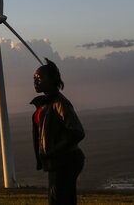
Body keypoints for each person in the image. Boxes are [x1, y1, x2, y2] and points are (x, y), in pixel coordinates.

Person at [31, 58, 85, 205]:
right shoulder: (46, 103)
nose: (35, 81)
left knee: (58, 200)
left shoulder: (59, 103)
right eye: (34, 78)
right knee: (61, 199)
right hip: (57, 162)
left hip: (66, 161)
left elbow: (78, 131)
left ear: (51, 79)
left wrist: (53, 150)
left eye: (39, 78)